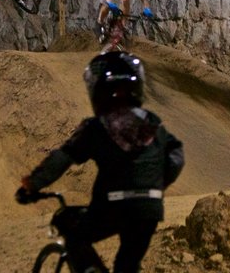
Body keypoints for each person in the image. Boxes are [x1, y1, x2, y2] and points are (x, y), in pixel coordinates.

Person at [16, 51, 184, 273]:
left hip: (114, 204)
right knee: (127, 266)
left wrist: (32, 184)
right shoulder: (154, 124)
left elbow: (62, 157)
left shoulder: (96, 127)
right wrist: (154, 185)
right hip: (149, 207)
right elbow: (176, 156)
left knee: (74, 236)